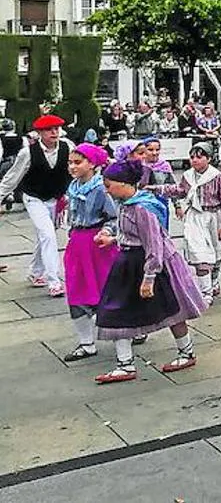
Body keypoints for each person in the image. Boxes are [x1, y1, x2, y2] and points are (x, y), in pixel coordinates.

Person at [93, 160, 208, 383]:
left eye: (109, 185)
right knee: (117, 311)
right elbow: (133, 237)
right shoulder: (127, 204)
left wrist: (149, 278)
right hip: (130, 262)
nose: (106, 190)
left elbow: (154, 244)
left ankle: (185, 353)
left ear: (125, 184)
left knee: (172, 309)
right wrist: (113, 239)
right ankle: (126, 363)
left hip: (150, 264)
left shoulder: (142, 207)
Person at [149, 144, 221, 305]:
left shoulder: (217, 177)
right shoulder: (188, 175)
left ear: (209, 159)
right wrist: (157, 189)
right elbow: (180, 190)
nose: (195, 160)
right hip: (195, 218)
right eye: (192, 157)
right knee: (199, 254)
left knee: (216, 254)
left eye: (199, 157)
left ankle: (213, 280)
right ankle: (205, 292)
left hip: (214, 217)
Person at [0, 114, 75, 296]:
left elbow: (77, 169)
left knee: (45, 235)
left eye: (57, 128)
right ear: (40, 133)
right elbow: (12, 178)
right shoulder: (27, 152)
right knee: (48, 235)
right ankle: (54, 281)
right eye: (49, 129)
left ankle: (35, 272)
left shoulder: (68, 146)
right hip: (33, 198)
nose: (54, 132)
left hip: (57, 198)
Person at [60, 143, 119, 363]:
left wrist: (106, 231)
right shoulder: (73, 187)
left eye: (77, 162)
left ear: (92, 164)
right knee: (76, 289)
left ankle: (127, 333)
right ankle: (86, 343)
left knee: (108, 290)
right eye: (70, 162)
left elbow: (114, 217)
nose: (72, 167)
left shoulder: (103, 188)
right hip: (77, 243)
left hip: (99, 245)